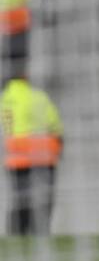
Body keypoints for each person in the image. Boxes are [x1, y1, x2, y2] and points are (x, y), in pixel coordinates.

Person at [1, 64, 64, 235]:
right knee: (43, 202)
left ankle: (17, 235)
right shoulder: (38, 96)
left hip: (17, 160)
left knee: (19, 201)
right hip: (43, 158)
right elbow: (55, 125)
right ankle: (40, 234)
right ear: (25, 76)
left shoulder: (4, 99)